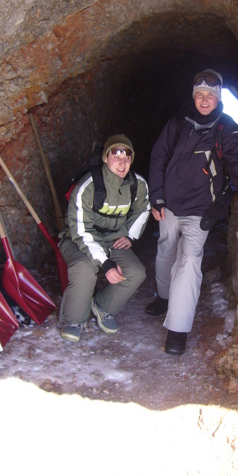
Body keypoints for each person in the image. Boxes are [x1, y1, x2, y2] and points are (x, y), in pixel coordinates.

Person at [147, 69, 238, 355]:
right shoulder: (178, 123)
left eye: (210, 96)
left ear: (218, 99)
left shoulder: (227, 129)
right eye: (200, 95)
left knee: (189, 261)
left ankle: (177, 330)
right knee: (166, 250)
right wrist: (156, 197)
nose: (205, 100)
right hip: (169, 205)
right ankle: (164, 297)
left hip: (200, 211)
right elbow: (158, 157)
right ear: (194, 97)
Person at [59, 134, 151, 342]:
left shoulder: (137, 184)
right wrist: (107, 263)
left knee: (136, 272)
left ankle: (102, 306)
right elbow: (81, 231)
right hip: (77, 239)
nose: (122, 162)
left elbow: (144, 208)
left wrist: (130, 234)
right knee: (85, 269)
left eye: (127, 157)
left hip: (113, 239)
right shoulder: (88, 186)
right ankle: (74, 320)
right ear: (105, 157)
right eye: (116, 155)